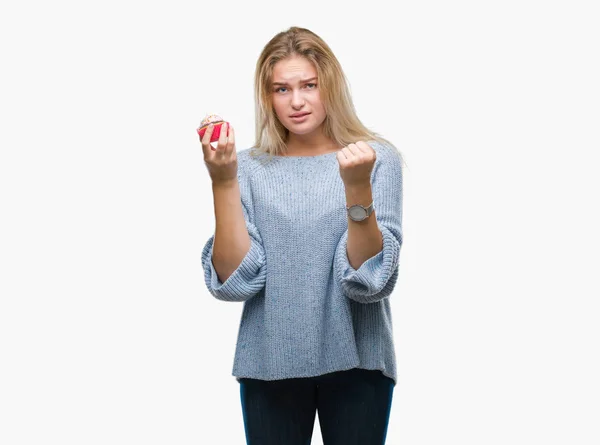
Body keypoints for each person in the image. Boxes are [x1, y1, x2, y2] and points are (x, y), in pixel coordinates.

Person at [200, 26, 405, 445]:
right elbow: (235, 280)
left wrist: (357, 187)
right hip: (269, 361)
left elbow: (370, 282)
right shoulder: (250, 168)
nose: (296, 101)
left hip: (359, 361)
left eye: (309, 85)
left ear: (330, 85)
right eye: (281, 89)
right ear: (267, 97)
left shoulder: (375, 158)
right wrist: (223, 179)